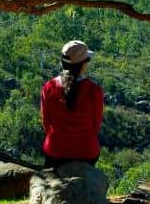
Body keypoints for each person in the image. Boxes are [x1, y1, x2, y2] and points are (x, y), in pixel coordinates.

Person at [40, 40, 104, 168]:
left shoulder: (49, 87)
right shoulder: (94, 91)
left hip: (55, 151)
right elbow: (95, 126)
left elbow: (46, 123)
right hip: (86, 152)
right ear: (83, 65)